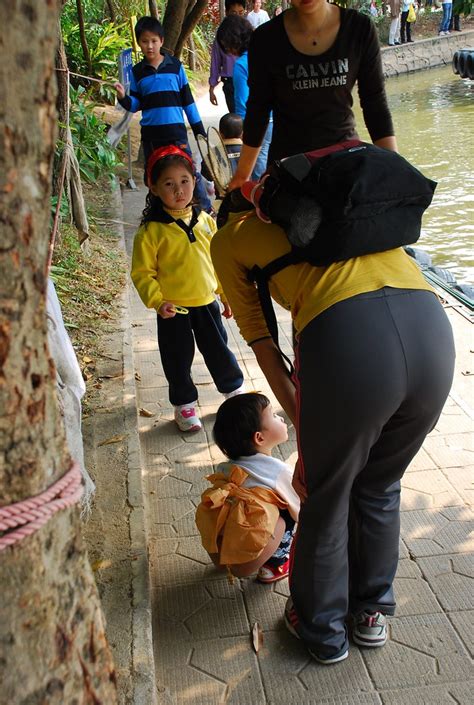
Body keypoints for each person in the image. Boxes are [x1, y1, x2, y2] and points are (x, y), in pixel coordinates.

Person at [212, 0, 456, 665]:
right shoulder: (361, 219)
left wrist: (306, 429)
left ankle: (320, 630)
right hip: (432, 336)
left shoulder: (232, 241)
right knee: (378, 485)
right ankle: (370, 612)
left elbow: (265, 348)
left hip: (352, 346)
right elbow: (374, 120)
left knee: (324, 494)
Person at [228, 0, 398, 193]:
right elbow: (258, 111)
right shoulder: (265, 39)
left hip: (345, 165)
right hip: (289, 172)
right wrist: (242, 176)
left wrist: (395, 169)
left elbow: (375, 104)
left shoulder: (359, 28)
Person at [131, 146, 244, 433]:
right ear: (154, 188)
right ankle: (184, 405)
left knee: (219, 351)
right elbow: (142, 273)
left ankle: (232, 392)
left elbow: (217, 262)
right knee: (177, 358)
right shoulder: (151, 232)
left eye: (184, 181)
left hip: (207, 303)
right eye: (168, 184)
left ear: (195, 181)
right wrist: (157, 301)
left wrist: (225, 294)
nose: (179, 190)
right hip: (173, 310)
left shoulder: (206, 221)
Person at [196, 393, 300, 582]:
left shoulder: (227, 467)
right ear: (259, 438)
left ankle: (227, 558)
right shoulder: (278, 472)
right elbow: (299, 505)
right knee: (287, 514)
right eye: (274, 416)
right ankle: (274, 565)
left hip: (223, 549)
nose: (281, 417)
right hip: (248, 557)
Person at [114, 16, 211, 211]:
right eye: (144, 41)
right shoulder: (137, 72)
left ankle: (205, 210)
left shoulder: (176, 67)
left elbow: (188, 103)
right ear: (138, 43)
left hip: (176, 134)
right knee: (154, 177)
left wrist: (201, 133)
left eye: (154, 41)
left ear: (162, 41)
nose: (149, 46)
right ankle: (158, 213)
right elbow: (135, 104)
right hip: (152, 137)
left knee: (189, 172)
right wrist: (123, 97)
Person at [216, 14, 272, 181]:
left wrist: (242, 131)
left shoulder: (241, 64)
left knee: (257, 168)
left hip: (259, 123)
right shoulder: (267, 53)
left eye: (226, 46)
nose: (227, 51)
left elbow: (242, 103)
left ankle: (257, 202)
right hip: (278, 119)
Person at [209, 0, 247, 111]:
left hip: (248, 81)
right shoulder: (221, 37)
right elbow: (215, 63)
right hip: (230, 83)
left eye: (241, 13)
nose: (238, 17)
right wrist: (211, 89)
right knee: (236, 120)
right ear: (227, 13)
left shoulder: (250, 34)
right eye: (234, 13)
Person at [219, 112, 244, 179]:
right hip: (244, 188)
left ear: (220, 134)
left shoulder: (213, 152)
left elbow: (206, 174)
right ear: (242, 133)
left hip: (223, 189)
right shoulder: (248, 151)